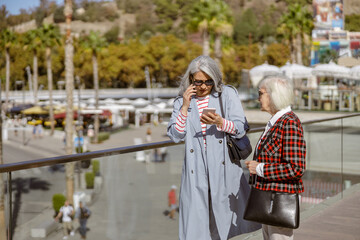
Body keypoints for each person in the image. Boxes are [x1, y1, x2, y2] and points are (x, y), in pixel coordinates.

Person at [167, 55, 260, 239]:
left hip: (223, 167)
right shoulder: (181, 101)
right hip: (196, 171)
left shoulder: (227, 95)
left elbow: (240, 127)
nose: (203, 86)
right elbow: (175, 135)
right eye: (198, 82)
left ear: (215, 79)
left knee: (227, 223)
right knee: (198, 226)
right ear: (190, 80)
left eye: (208, 81)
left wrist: (220, 122)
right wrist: (185, 107)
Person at [245, 76, 306, 240]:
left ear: (273, 96)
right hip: (270, 197)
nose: (258, 98)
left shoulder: (289, 123)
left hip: (280, 199)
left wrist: (259, 168)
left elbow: (296, 168)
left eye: (261, 93)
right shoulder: (277, 122)